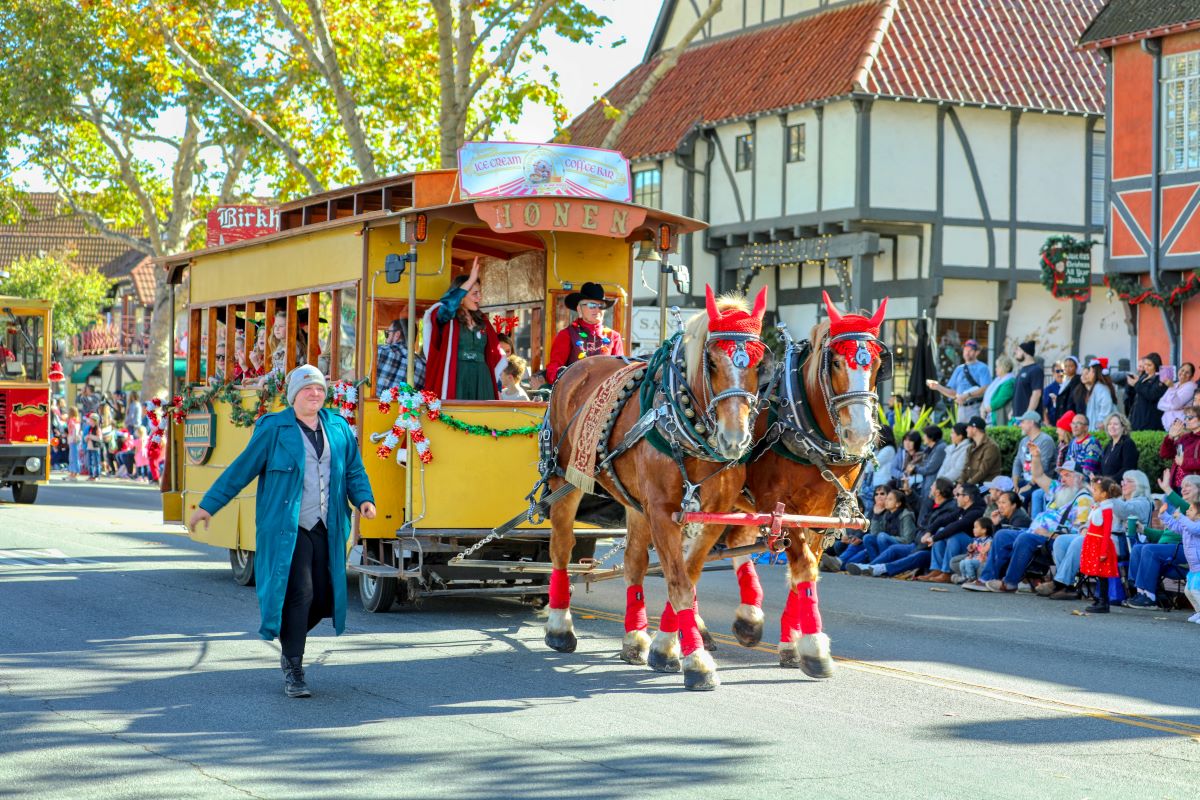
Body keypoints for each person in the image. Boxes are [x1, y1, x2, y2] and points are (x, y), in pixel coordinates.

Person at [188, 366, 376, 698]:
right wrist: (208, 506)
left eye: (319, 388)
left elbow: (354, 470)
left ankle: (289, 635)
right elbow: (240, 469)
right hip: (287, 526)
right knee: (300, 592)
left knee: (325, 597)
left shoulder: (339, 428)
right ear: (293, 395)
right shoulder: (274, 429)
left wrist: (363, 500)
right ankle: (294, 667)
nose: (314, 394)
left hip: (328, 525)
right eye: (307, 389)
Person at [966, 451, 1093, 593]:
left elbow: (1077, 533)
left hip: (1052, 539)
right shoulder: (1058, 489)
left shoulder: (1084, 499)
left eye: (1067, 475)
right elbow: (1038, 476)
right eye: (1062, 475)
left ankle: (1009, 583)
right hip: (1034, 533)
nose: (1062, 479)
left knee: (1024, 538)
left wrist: (1048, 533)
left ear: (1080, 477)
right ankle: (985, 579)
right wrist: (1036, 456)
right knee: (1002, 534)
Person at [1041, 469, 1152, 600]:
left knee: (1079, 543)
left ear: (1140, 485)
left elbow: (1124, 511)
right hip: (1101, 537)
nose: (1123, 484)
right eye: (1123, 480)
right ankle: (1068, 587)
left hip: (1122, 543)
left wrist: (1104, 494)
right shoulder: (1117, 500)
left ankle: (1059, 583)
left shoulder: (1143, 503)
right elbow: (1095, 518)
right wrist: (1084, 528)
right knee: (1062, 541)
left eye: (1129, 481)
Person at [424, 259, 502, 400]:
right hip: (457, 375)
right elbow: (446, 306)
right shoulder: (448, 319)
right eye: (475, 293)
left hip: (482, 377)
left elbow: (494, 352)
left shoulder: (483, 320)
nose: (479, 297)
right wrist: (470, 279)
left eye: (480, 293)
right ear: (461, 296)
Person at [545, 282, 625, 385]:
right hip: (575, 393)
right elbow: (553, 369)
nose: (597, 309)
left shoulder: (614, 337)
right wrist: (561, 375)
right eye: (592, 305)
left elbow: (621, 369)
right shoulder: (566, 334)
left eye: (601, 306)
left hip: (605, 395)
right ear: (579, 309)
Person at [918, 482, 986, 583]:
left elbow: (956, 526)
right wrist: (929, 532)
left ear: (967, 498)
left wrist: (934, 538)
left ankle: (947, 572)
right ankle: (937, 570)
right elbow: (941, 520)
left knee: (955, 535)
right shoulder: (962, 510)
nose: (955, 497)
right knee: (941, 531)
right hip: (963, 544)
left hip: (975, 547)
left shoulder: (977, 512)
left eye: (958, 495)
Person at [1078, 476, 1122, 614]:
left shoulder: (1107, 510)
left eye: (1096, 490)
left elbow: (1107, 531)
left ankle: (1104, 601)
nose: (1093, 493)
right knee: (1097, 573)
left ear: (1104, 494)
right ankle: (1099, 598)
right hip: (1093, 543)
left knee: (1102, 574)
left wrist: (1103, 551)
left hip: (1100, 544)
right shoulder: (1099, 507)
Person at [926, 338, 990, 420]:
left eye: (970, 350)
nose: (967, 353)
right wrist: (937, 387)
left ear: (977, 352)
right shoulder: (959, 369)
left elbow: (985, 388)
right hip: (961, 409)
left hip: (976, 407)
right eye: (965, 350)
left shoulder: (982, 368)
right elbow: (953, 393)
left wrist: (967, 395)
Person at [1011, 410, 1055, 507]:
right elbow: (1017, 462)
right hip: (1026, 480)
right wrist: (1015, 484)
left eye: (1022, 422)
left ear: (1031, 423)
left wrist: (1028, 486)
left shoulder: (1045, 441)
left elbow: (1043, 468)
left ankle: (1023, 522)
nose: (1020, 425)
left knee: (1020, 498)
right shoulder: (1024, 440)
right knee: (1007, 494)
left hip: (1040, 483)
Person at [376, 318, 425, 392]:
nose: (386, 339)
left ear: (397, 335)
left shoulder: (378, 352)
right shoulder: (423, 366)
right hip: (405, 404)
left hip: (373, 403)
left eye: (387, 334)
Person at [1158, 406, 1200, 490]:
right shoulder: (1185, 437)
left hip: (1194, 487)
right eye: (1186, 417)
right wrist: (1170, 437)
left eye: (1190, 417)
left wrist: (1184, 462)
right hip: (1176, 484)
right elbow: (1165, 454)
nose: (1186, 420)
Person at [1126, 353, 1167, 431]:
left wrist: (1136, 384)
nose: (1146, 367)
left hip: (1149, 417)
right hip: (1137, 415)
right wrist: (1131, 385)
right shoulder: (1143, 376)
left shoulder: (1161, 378)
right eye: (1145, 365)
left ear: (1156, 365)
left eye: (1149, 365)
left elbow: (1152, 395)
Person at [961, 415, 1001, 486]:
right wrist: (960, 484)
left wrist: (967, 485)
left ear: (974, 429)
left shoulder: (991, 446)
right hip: (973, 485)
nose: (966, 429)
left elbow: (983, 472)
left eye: (968, 427)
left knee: (965, 495)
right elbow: (966, 469)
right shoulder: (970, 447)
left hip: (988, 486)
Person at [1098, 412, 1139, 481]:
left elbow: (1127, 469)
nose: (1112, 426)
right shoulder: (1109, 445)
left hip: (1119, 486)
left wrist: (1109, 481)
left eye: (1115, 424)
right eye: (1109, 424)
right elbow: (1102, 467)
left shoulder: (1128, 444)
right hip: (1106, 485)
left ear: (1123, 427)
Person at [1158, 361, 1197, 430]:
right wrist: (1172, 407)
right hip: (1167, 424)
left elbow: (1176, 405)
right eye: (1182, 370)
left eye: (1187, 372)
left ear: (1191, 376)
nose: (1183, 373)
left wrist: (1171, 388)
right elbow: (1160, 404)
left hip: (1180, 425)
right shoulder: (1175, 384)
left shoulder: (1191, 386)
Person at [957, 516, 995, 585]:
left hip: (982, 560)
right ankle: (965, 577)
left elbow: (984, 551)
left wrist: (977, 547)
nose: (973, 529)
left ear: (984, 530)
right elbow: (973, 551)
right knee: (962, 562)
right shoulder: (976, 539)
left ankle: (972, 578)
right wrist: (970, 549)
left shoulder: (989, 540)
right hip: (974, 558)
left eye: (976, 527)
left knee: (968, 562)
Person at [1010, 341, 1043, 418]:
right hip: (1017, 416)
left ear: (1025, 352)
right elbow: (1018, 393)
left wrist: (1028, 414)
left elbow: (1036, 394)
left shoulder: (1036, 370)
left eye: (1018, 350)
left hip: (1028, 418)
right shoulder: (1022, 370)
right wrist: (1013, 410)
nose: (1016, 352)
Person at [979, 355, 1015, 426]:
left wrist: (986, 410)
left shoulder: (1009, 381)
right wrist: (982, 408)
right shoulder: (998, 380)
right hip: (988, 415)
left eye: (997, 367)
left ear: (1004, 367)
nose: (996, 369)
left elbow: (1000, 400)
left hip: (999, 416)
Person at [1082, 358, 1117, 428]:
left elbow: (1105, 408)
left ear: (1095, 373)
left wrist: (1100, 423)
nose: (1088, 374)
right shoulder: (1097, 387)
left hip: (1098, 431)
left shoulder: (1101, 388)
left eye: (1090, 371)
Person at [1064, 412, 1101, 478]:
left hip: (1086, 483)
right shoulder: (1072, 442)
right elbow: (1067, 464)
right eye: (1073, 423)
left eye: (1078, 423)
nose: (1075, 426)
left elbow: (1088, 470)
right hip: (1071, 481)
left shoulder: (1092, 443)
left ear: (1086, 427)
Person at [66, 407, 82, 481]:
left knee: (74, 457)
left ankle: (74, 472)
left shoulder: (74, 420)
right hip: (71, 439)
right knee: (72, 457)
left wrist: (75, 437)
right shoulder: (73, 420)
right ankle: (72, 472)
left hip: (74, 439)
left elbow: (76, 429)